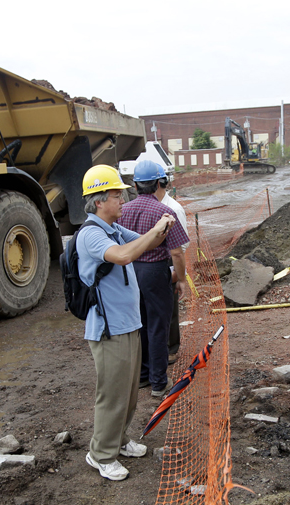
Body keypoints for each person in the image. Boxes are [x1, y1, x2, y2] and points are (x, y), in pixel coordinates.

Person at [77, 164, 175, 481]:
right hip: (108, 330)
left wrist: (162, 223)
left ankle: (118, 441)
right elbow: (123, 256)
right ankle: (101, 454)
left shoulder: (115, 229)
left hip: (128, 325)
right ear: (98, 201)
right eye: (116, 194)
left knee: (130, 392)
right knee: (113, 394)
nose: (122, 199)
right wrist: (155, 225)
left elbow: (150, 243)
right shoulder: (91, 235)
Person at [116, 160, 190, 398]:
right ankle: (159, 383)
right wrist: (181, 278)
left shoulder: (123, 210)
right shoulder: (164, 213)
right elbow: (177, 251)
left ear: (135, 185)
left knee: (139, 325)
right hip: (156, 272)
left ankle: (142, 377)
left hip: (129, 272)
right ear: (161, 182)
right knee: (159, 327)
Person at [160, 182, 189, 365]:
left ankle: (171, 348)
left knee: (170, 308)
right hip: (149, 263)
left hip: (168, 260)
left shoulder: (174, 209)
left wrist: (179, 275)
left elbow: (180, 249)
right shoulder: (144, 206)